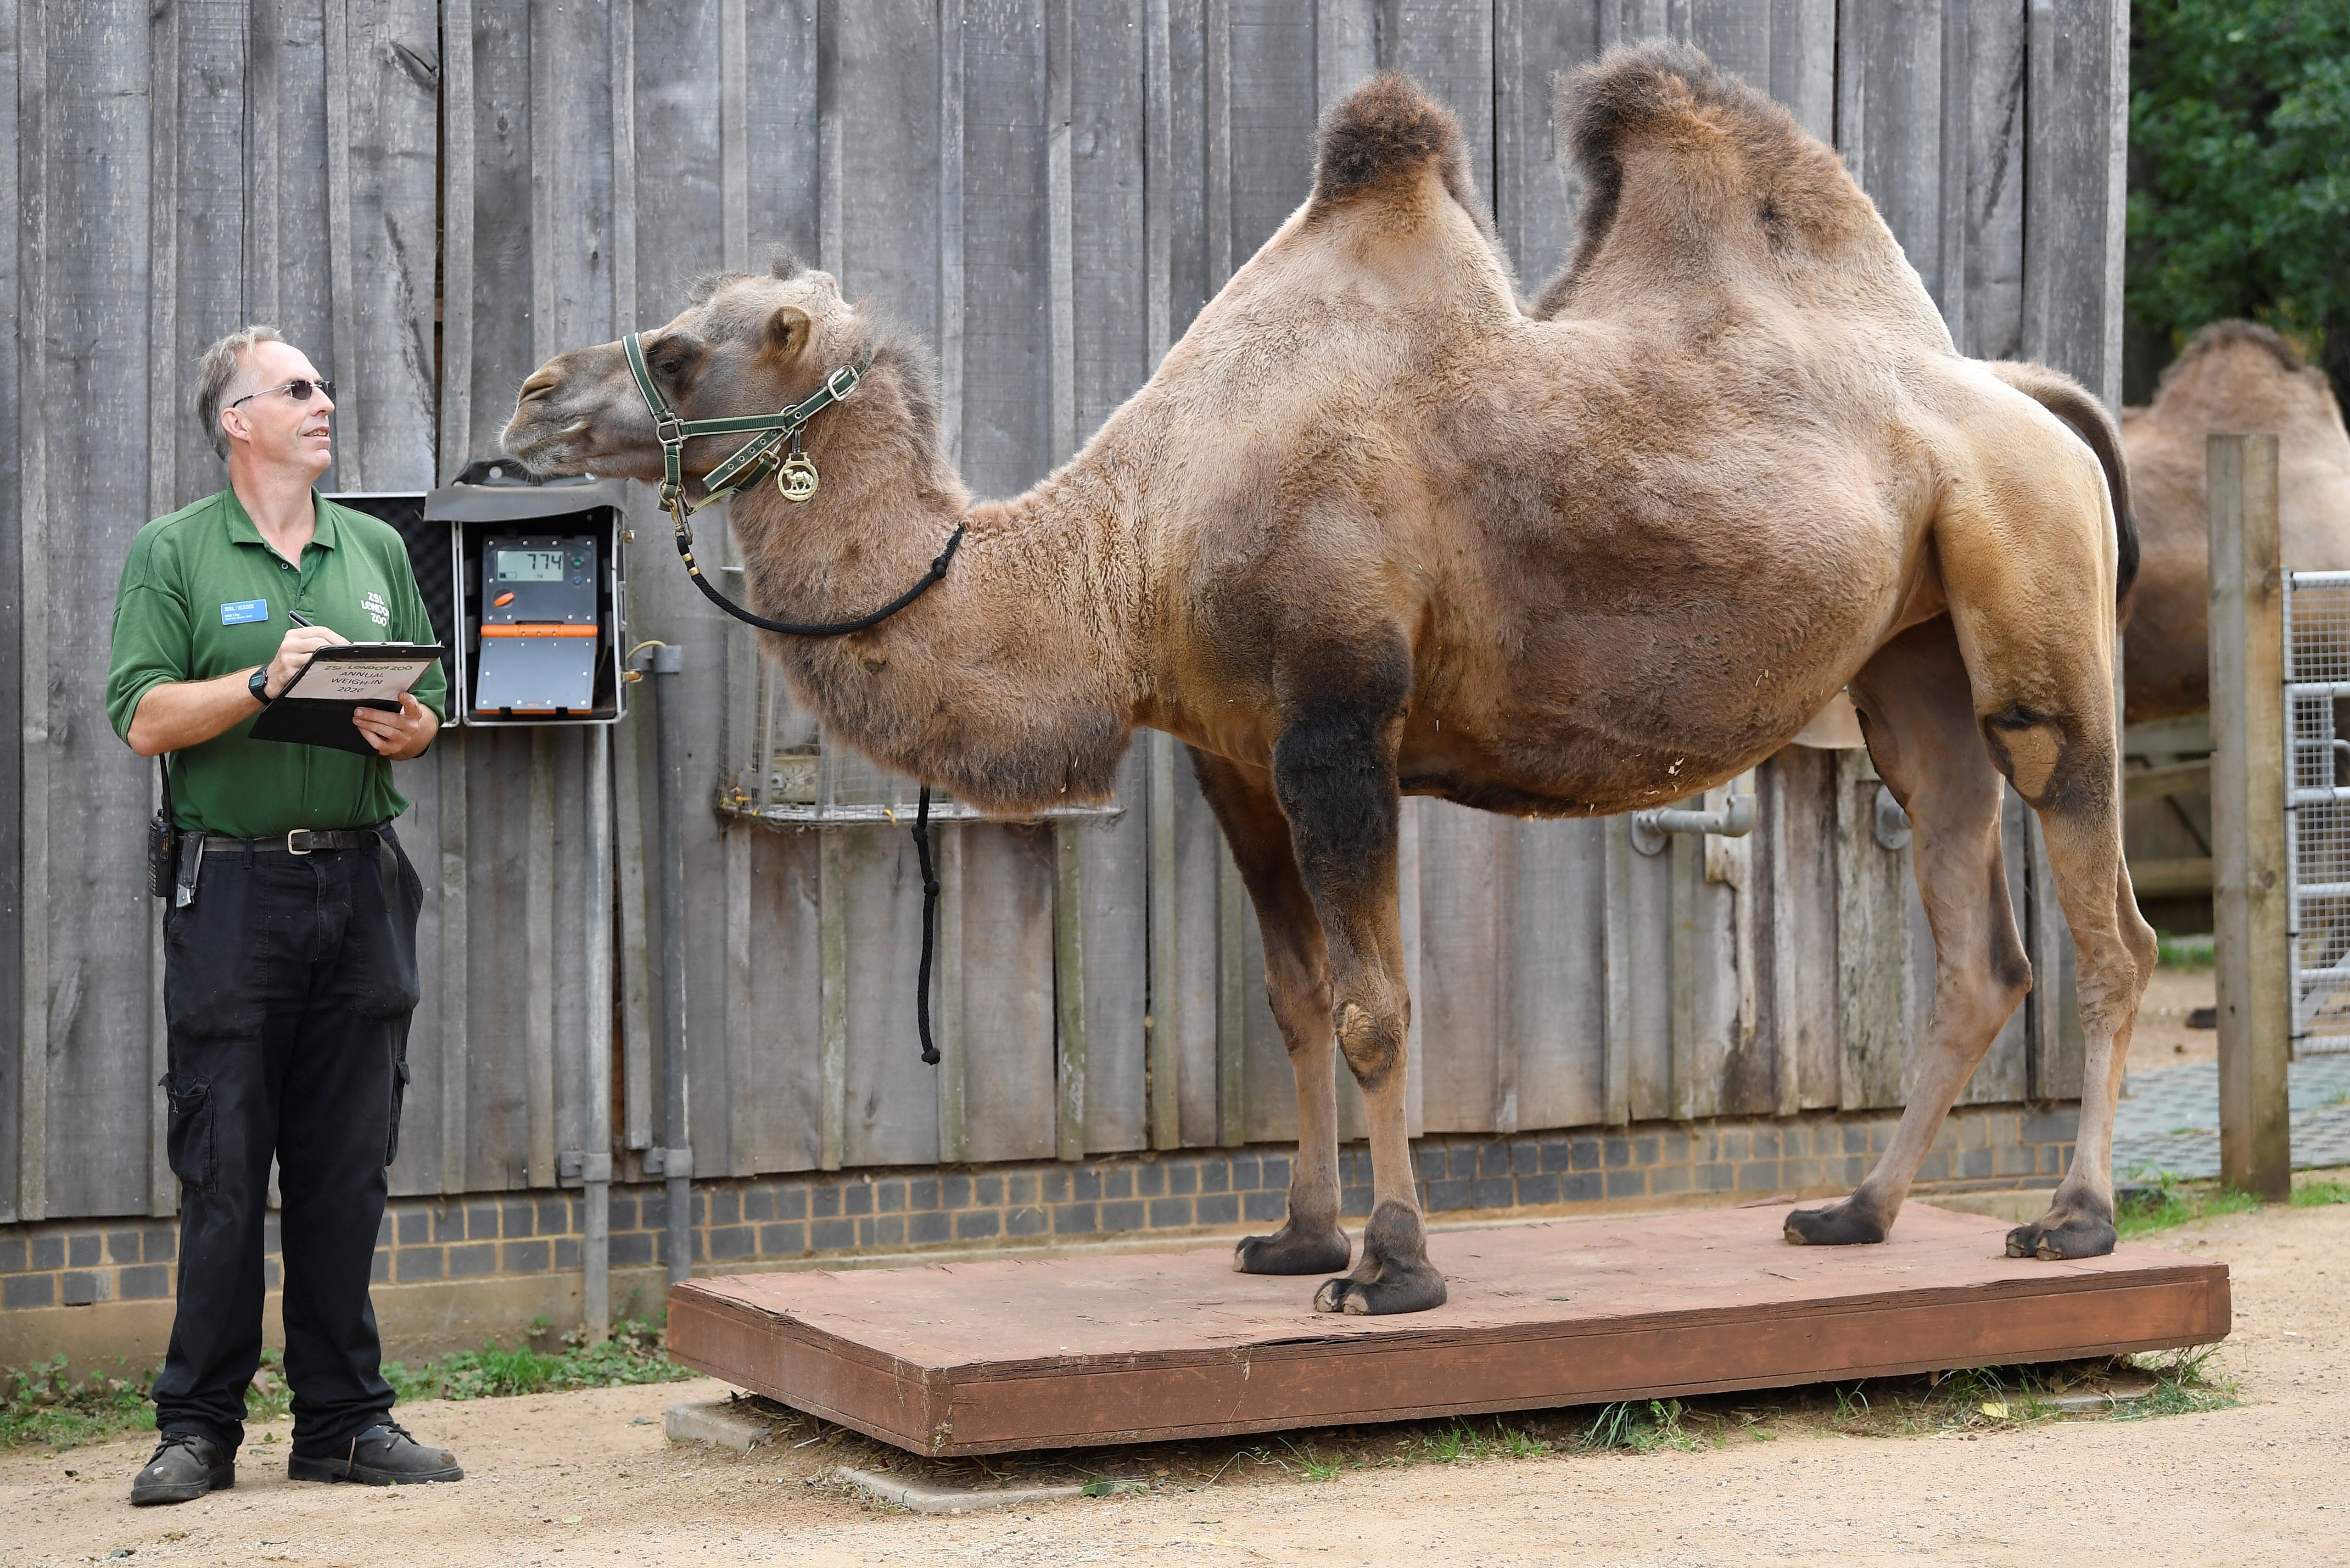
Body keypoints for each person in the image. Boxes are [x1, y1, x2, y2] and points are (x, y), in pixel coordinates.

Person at [105, 327, 463, 1504]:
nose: (324, 402)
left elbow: (431, 695)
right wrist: (266, 681)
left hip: (362, 884)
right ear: (236, 420)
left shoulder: (372, 547)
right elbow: (145, 716)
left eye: (324, 385)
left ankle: (346, 1425)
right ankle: (200, 1427)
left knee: (343, 1168)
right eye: (298, 389)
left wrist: (416, 726)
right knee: (223, 1164)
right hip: (236, 891)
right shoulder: (175, 553)